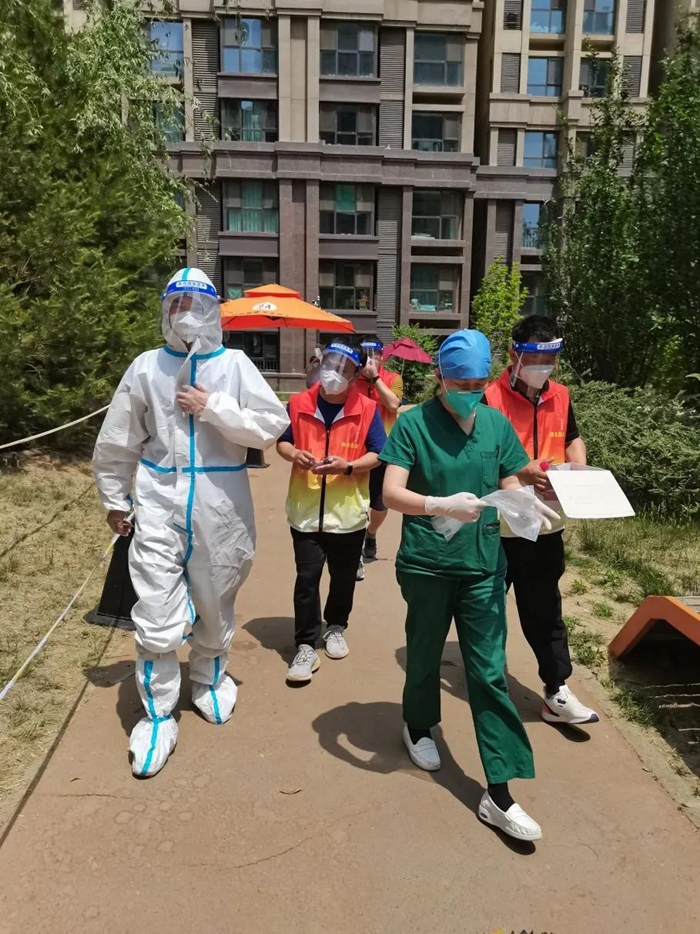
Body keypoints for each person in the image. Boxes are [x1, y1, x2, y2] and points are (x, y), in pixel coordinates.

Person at [93, 268, 289, 777]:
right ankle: (158, 714)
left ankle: (209, 676)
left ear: (212, 311)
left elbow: (270, 426)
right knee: (155, 609)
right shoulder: (146, 367)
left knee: (215, 597)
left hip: (222, 504)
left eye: (195, 305)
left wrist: (213, 406)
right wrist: (115, 498)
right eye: (176, 304)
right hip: (159, 499)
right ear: (165, 311)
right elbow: (118, 438)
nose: (186, 314)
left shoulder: (235, 365)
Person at [380, 329, 557, 841]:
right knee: (424, 653)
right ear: (440, 377)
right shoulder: (413, 424)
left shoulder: (496, 422)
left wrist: (524, 495)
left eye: (479, 383)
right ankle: (417, 725)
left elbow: (508, 475)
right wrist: (437, 504)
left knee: (489, 672)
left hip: (483, 566)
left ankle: (499, 792)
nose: (471, 392)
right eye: (461, 384)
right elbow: (390, 492)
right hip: (429, 566)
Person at [484, 315, 598, 726]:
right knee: (487, 605)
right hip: (499, 523)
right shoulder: (489, 397)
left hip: (547, 521)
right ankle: (488, 680)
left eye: (548, 359)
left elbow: (572, 438)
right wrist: (521, 472)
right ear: (513, 354)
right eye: (533, 357)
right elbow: (479, 454)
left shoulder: (561, 395)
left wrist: (577, 469)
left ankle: (556, 690)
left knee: (545, 608)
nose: (541, 367)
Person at [276, 342, 386, 683]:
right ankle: (305, 645)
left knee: (343, 578)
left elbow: (379, 453)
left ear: (356, 374)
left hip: (347, 513)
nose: (334, 372)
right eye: (331, 362)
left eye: (344, 367)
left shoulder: (367, 409)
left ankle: (336, 626)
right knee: (306, 579)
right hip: (305, 510)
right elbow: (282, 441)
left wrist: (348, 466)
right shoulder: (299, 403)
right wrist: (293, 454)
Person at [354, 338, 403, 579]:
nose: (370, 358)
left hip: (385, 452)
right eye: (365, 354)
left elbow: (393, 404)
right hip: (355, 451)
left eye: (375, 354)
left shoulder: (393, 378)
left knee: (380, 504)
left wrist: (375, 379)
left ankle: (371, 533)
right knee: (355, 503)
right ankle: (355, 554)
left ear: (382, 357)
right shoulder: (352, 378)